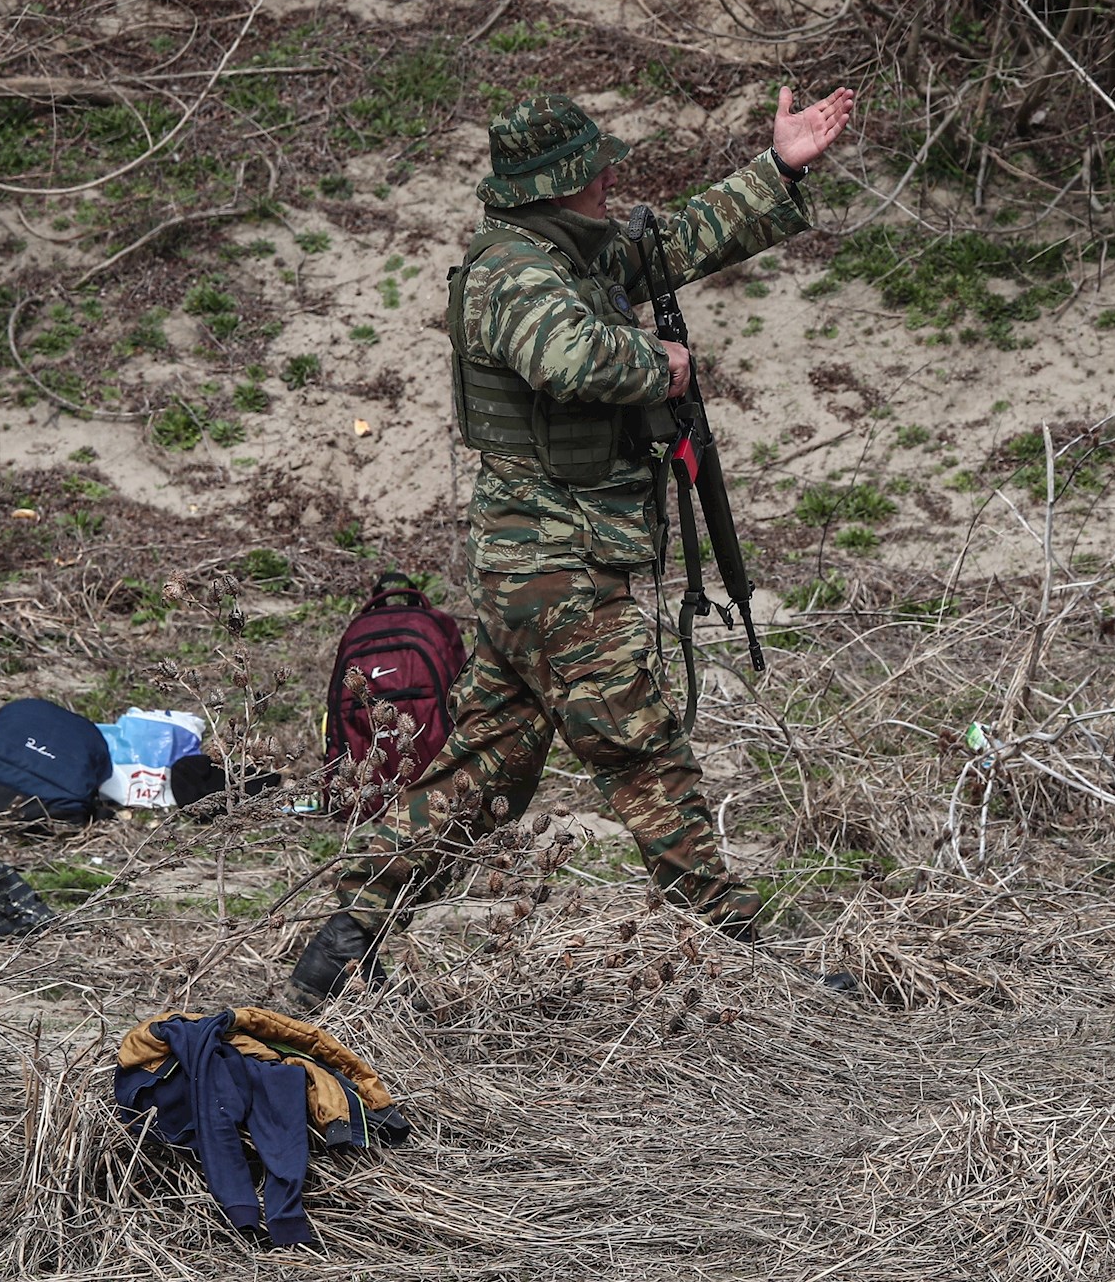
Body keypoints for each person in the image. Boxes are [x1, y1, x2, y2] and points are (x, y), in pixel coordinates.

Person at [289, 86, 857, 1003]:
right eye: (596, 172)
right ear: (559, 185)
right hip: (553, 568)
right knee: (643, 754)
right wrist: (657, 364)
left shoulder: (572, 251)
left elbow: (680, 240)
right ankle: (751, 962)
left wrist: (780, 166)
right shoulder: (513, 273)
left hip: (546, 566)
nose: (610, 182)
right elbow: (571, 359)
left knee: (481, 771)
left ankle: (341, 948)